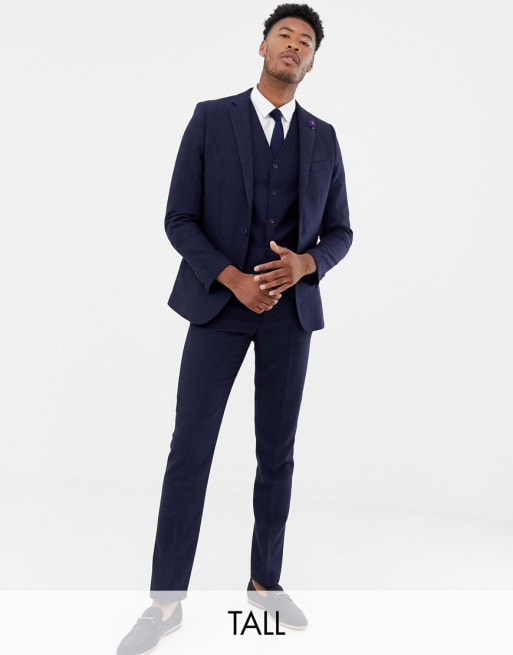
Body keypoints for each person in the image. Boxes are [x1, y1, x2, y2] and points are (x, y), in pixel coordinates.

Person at [117, 4, 352, 654]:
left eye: (305, 42)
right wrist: (231, 277)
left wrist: (306, 263)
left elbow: (341, 231)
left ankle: (263, 584)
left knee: (277, 453)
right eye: (284, 35)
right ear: (262, 46)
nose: (294, 46)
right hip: (216, 312)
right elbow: (178, 219)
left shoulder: (324, 138)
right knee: (190, 449)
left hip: (290, 319)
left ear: (312, 62)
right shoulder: (210, 118)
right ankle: (165, 605)